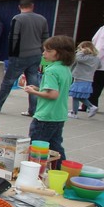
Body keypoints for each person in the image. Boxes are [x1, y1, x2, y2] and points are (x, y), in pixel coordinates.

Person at [0, 0, 49, 115]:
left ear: (19, 7)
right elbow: (45, 38)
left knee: (8, 81)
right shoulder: (42, 19)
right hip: (36, 54)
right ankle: (34, 110)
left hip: (20, 55)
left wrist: (12, 54)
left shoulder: (17, 18)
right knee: (33, 82)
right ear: (32, 6)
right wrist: (42, 52)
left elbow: (13, 37)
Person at [23, 36, 74, 168]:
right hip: (58, 115)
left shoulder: (51, 70)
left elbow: (52, 94)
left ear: (59, 53)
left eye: (48, 51)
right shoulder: (65, 69)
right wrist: (38, 88)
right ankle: (61, 170)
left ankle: (34, 171)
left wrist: (33, 92)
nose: (44, 53)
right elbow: (57, 90)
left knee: (37, 147)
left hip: (45, 116)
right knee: (56, 147)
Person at [68, 41, 100, 119]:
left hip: (80, 78)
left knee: (75, 96)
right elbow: (99, 66)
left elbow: (77, 58)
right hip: (88, 79)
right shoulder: (96, 58)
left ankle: (75, 112)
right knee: (79, 96)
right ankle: (89, 107)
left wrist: (81, 52)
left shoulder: (84, 57)